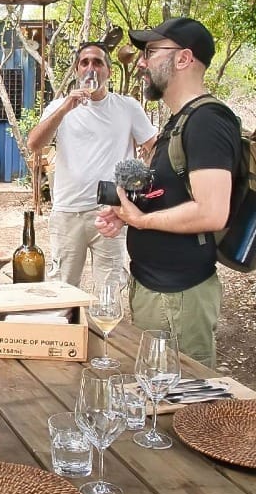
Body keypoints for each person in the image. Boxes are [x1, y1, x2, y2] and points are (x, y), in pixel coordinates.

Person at [94, 18, 242, 368]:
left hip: (179, 296)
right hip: (157, 289)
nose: (142, 62)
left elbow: (211, 211)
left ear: (183, 58)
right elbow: (174, 195)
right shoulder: (180, 120)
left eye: (150, 52)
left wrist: (142, 221)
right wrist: (127, 212)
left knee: (184, 404)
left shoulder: (207, 121)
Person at [27, 42, 156, 289]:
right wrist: (65, 107)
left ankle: (104, 329)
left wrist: (137, 188)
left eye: (98, 62)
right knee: (63, 290)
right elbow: (34, 144)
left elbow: (154, 148)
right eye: (84, 63)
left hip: (110, 214)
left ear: (108, 71)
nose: (91, 68)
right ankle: (69, 328)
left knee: (109, 290)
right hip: (67, 212)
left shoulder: (127, 107)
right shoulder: (60, 108)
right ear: (77, 70)